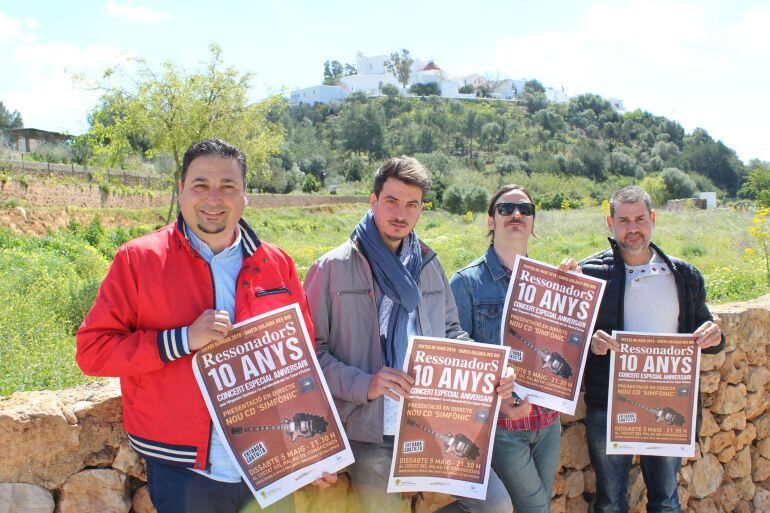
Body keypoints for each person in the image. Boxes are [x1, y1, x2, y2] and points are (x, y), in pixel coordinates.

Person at [76, 138, 334, 513]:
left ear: (246, 195)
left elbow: (301, 362)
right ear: (181, 190)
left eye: (227, 187)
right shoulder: (138, 259)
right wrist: (181, 340)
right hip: (184, 470)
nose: (213, 198)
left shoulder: (276, 262)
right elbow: (92, 353)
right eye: (200, 185)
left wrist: (312, 448)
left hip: (270, 463)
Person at [304, 156, 519, 513]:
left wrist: (491, 369)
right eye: (391, 201)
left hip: (431, 421)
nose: (400, 213)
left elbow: (452, 334)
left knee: (495, 506)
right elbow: (310, 355)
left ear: (421, 210)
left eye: (411, 204)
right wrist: (367, 383)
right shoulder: (332, 268)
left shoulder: (428, 265)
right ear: (372, 202)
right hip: (368, 430)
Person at [580, 186, 725, 513]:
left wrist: (715, 336)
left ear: (653, 219)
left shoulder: (683, 275)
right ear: (610, 223)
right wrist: (593, 345)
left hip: (669, 405)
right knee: (609, 502)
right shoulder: (589, 273)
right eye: (624, 220)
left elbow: (705, 328)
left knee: (665, 500)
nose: (633, 228)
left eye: (640, 219)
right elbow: (568, 340)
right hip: (608, 406)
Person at [450, 185, 577, 513]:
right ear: (491, 221)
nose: (516, 214)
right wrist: (501, 396)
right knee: (536, 509)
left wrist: (576, 293)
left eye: (525, 209)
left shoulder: (551, 279)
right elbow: (457, 360)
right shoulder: (465, 283)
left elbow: (565, 349)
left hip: (547, 423)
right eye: (505, 209)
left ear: (533, 221)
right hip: (502, 428)